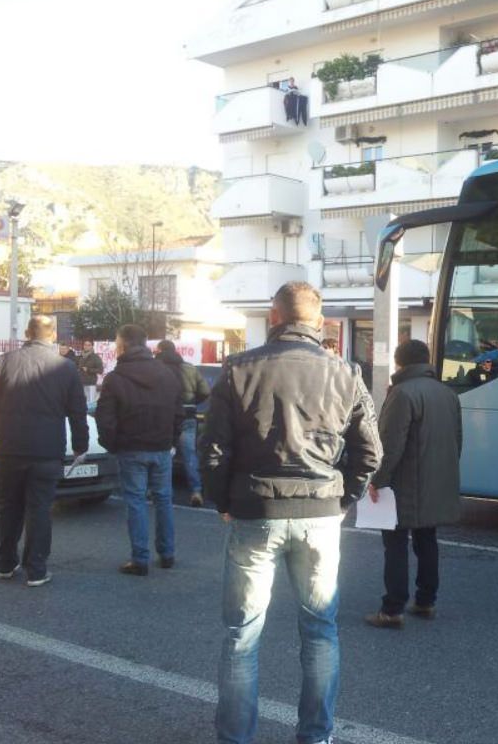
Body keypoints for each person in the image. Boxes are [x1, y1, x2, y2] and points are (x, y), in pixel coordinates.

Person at [200, 282, 382, 744]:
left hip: (255, 508)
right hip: (320, 511)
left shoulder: (239, 369)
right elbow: (370, 450)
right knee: (320, 630)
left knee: (243, 635)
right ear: (319, 323)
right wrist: (344, 499)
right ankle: (316, 736)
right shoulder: (345, 372)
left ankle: (235, 737)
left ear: (273, 316)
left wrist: (222, 502)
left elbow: (213, 448)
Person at [0, 315, 88, 587]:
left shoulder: (3, 362)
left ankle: (5, 563)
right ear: (52, 335)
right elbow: (77, 411)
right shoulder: (66, 368)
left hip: (9, 448)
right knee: (39, 509)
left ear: (27, 332)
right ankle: (36, 569)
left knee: (8, 506)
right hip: (47, 450)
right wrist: (80, 446)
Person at [364, 339, 462, 629]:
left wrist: (377, 480)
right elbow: (457, 440)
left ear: (399, 363)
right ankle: (425, 600)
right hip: (436, 480)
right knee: (427, 540)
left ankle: (393, 608)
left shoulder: (402, 393)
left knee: (395, 544)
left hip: (404, 484)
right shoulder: (448, 393)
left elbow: (391, 446)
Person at [96, 324, 183, 577]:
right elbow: (180, 412)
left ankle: (140, 559)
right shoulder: (167, 374)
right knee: (164, 499)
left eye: (116, 342)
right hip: (161, 447)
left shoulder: (115, 378)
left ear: (122, 345)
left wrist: (112, 444)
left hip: (131, 448)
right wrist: (171, 439)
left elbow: (105, 417)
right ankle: (167, 554)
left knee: (136, 501)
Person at [154, 340, 211, 507]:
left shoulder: (156, 367)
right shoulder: (190, 368)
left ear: (159, 351)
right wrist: (192, 403)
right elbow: (205, 391)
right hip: (188, 415)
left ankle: (163, 492)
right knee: (189, 455)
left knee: (164, 455)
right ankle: (196, 490)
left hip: (164, 416)